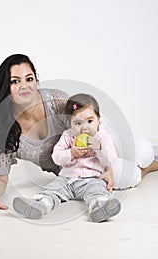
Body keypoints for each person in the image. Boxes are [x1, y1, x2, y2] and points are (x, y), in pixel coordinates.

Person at [0, 54, 158, 217]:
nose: (24, 85)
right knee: (130, 175)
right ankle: (152, 167)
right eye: (15, 81)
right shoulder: (1, 129)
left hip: (99, 137)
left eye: (29, 78)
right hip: (75, 170)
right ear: (6, 87)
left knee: (142, 150)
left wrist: (108, 167)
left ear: (36, 80)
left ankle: (152, 158)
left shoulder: (55, 100)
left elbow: (89, 121)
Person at [12, 93, 121, 222]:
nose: (84, 128)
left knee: (97, 192)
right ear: (70, 123)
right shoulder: (68, 136)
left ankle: (100, 207)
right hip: (66, 179)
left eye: (90, 121)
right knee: (52, 190)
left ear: (98, 120)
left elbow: (111, 158)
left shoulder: (102, 137)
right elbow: (56, 157)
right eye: (78, 123)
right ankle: (39, 205)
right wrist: (71, 153)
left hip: (92, 178)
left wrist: (99, 148)